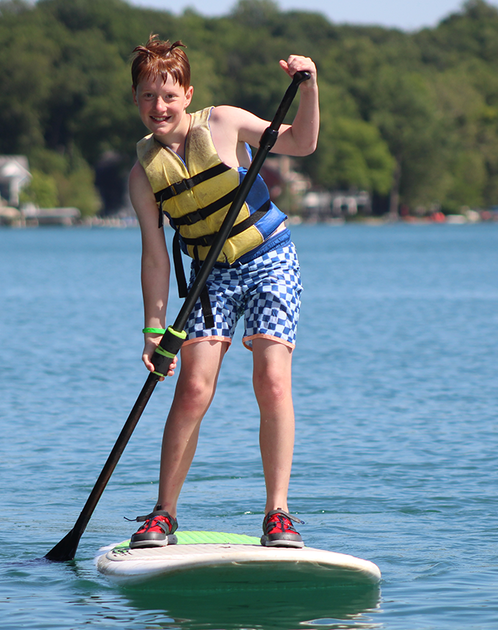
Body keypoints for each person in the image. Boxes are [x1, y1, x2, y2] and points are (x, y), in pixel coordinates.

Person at [127, 35, 319, 549]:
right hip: (210, 279)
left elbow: (301, 143)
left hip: (269, 261)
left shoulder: (225, 123)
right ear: (136, 101)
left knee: (272, 381)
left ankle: (277, 515)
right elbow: (154, 255)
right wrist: (153, 330)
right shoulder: (143, 175)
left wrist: (309, 88)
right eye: (147, 96)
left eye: (168, 95)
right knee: (192, 389)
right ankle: (162, 515)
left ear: (187, 94)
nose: (158, 107)